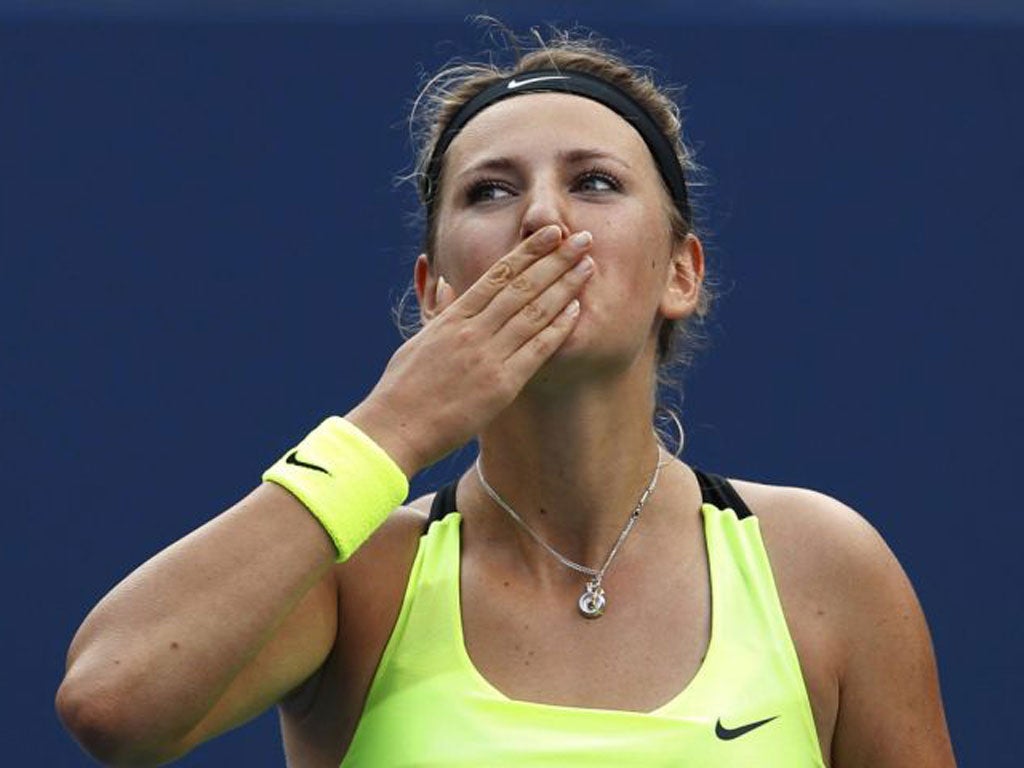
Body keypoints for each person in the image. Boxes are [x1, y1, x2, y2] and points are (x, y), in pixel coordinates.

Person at [56, 24, 956, 767]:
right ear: (435, 292)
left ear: (680, 272)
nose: (542, 220)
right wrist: (391, 429)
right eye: (491, 191)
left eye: (594, 182)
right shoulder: (363, 577)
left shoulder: (823, 567)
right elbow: (111, 702)